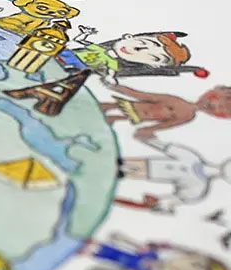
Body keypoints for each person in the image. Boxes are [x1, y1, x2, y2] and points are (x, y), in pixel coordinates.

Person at [81, 233, 228, 270]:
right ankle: (93, 246)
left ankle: (90, 251)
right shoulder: (195, 262)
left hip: (148, 268)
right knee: (119, 253)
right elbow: (178, 252)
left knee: (117, 259)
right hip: (154, 259)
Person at [114, 138, 230, 213]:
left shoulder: (199, 185)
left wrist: (159, 201)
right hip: (150, 164)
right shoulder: (193, 159)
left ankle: (120, 171)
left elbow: (179, 198)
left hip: (151, 172)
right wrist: (147, 139)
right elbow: (168, 147)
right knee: (121, 164)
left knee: (122, 172)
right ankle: (120, 168)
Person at [60, 27, 208, 84]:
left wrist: (109, 78)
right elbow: (80, 42)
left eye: (154, 57)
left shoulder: (114, 64)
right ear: (128, 36)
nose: (137, 49)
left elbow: (109, 73)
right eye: (143, 43)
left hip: (74, 67)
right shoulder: (100, 48)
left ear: (153, 65)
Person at [100, 83, 231, 140]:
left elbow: (166, 125)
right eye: (220, 100)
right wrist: (125, 90)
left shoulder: (187, 116)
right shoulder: (178, 101)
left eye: (222, 110)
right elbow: (147, 96)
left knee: (118, 117)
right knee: (112, 107)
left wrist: (148, 130)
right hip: (137, 107)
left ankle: (108, 119)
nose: (215, 106)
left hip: (141, 117)